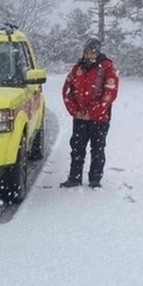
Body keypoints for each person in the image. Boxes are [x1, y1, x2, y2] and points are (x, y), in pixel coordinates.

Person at [60, 37, 119, 188]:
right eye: (87, 52)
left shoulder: (107, 67)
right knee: (77, 148)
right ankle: (74, 177)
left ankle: (95, 179)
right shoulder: (77, 68)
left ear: (98, 52)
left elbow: (109, 94)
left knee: (97, 149)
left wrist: (92, 113)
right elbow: (67, 91)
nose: (89, 56)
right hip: (79, 118)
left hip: (100, 119)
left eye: (92, 53)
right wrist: (75, 111)